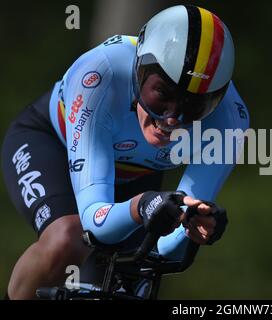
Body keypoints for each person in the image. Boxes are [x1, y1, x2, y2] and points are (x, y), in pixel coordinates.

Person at [1, 5, 249, 300]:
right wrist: (141, 206)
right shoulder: (100, 73)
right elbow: (94, 224)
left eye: (194, 108)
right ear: (139, 70)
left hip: (138, 178)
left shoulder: (230, 120)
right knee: (67, 240)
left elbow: (168, 248)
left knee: (139, 276)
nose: (172, 119)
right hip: (54, 145)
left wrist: (193, 226)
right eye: (162, 95)